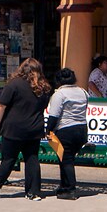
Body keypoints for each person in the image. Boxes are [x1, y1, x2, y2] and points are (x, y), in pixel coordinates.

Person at [0, 58, 51, 200]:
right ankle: (33, 192)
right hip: (34, 128)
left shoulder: (14, 84)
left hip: (14, 129)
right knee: (32, 159)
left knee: (9, 159)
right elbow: (43, 107)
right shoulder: (44, 87)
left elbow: (1, 105)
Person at [45, 67, 89, 198]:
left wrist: (48, 131)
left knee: (66, 159)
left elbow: (54, 116)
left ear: (58, 81)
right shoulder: (83, 92)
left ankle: (70, 189)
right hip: (82, 130)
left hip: (65, 130)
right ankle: (63, 186)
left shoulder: (59, 94)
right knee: (66, 158)